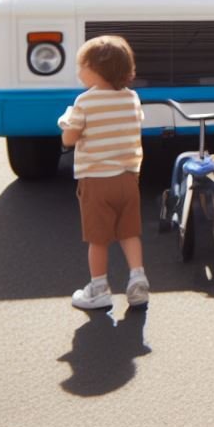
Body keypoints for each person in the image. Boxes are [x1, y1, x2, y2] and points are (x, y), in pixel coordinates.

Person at [58, 35, 149, 310]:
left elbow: (69, 139)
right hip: (127, 178)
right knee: (128, 232)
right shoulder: (131, 98)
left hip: (96, 181)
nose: (78, 72)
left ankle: (98, 288)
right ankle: (137, 278)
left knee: (98, 239)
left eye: (81, 66)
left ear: (96, 69)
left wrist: (66, 121)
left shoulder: (84, 102)